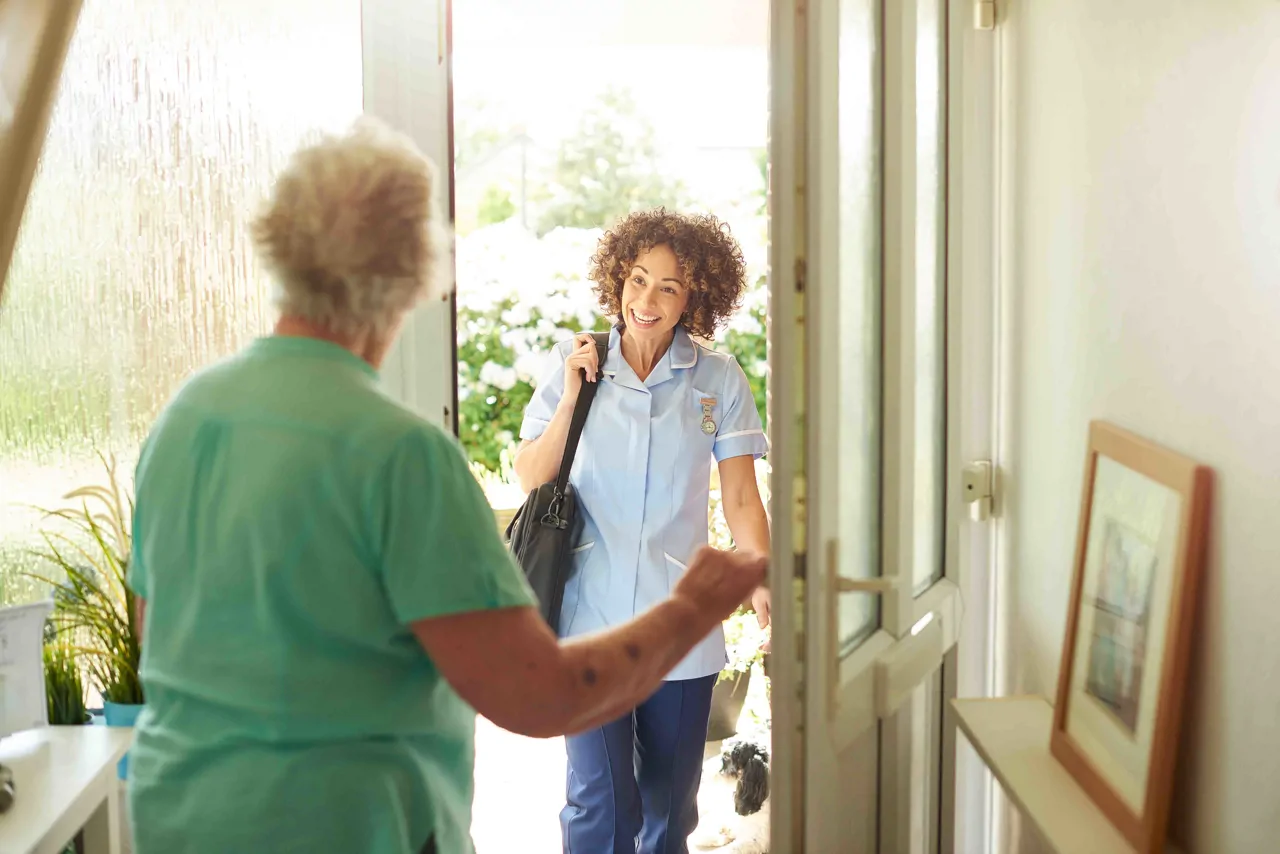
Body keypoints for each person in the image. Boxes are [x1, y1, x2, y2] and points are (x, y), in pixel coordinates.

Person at [125, 119, 766, 854]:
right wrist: (691, 609)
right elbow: (533, 693)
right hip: (357, 828)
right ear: (412, 277)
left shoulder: (186, 418)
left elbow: (157, 634)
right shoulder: (404, 457)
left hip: (178, 821)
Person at [514, 209, 772, 854]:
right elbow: (530, 475)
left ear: (695, 298)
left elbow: (740, 492)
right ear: (616, 281)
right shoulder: (577, 362)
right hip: (588, 620)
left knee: (668, 809)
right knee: (600, 802)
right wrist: (573, 396)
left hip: (681, 622)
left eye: (668, 286)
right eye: (636, 280)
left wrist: (760, 574)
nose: (646, 301)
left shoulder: (718, 379)